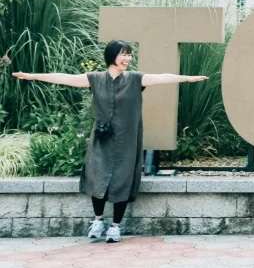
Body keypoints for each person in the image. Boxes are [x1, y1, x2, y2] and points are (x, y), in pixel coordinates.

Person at [13, 39, 208, 243]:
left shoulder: (135, 79)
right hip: (102, 138)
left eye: (129, 54)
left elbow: (161, 77)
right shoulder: (95, 79)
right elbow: (64, 77)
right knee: (97, 176)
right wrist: (32, 76)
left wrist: (187, 78)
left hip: (127, 140)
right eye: (123, 54)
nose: (127, 58)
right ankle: (98, 221)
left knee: (122, 180)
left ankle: (115, 226)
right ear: (112, 56)